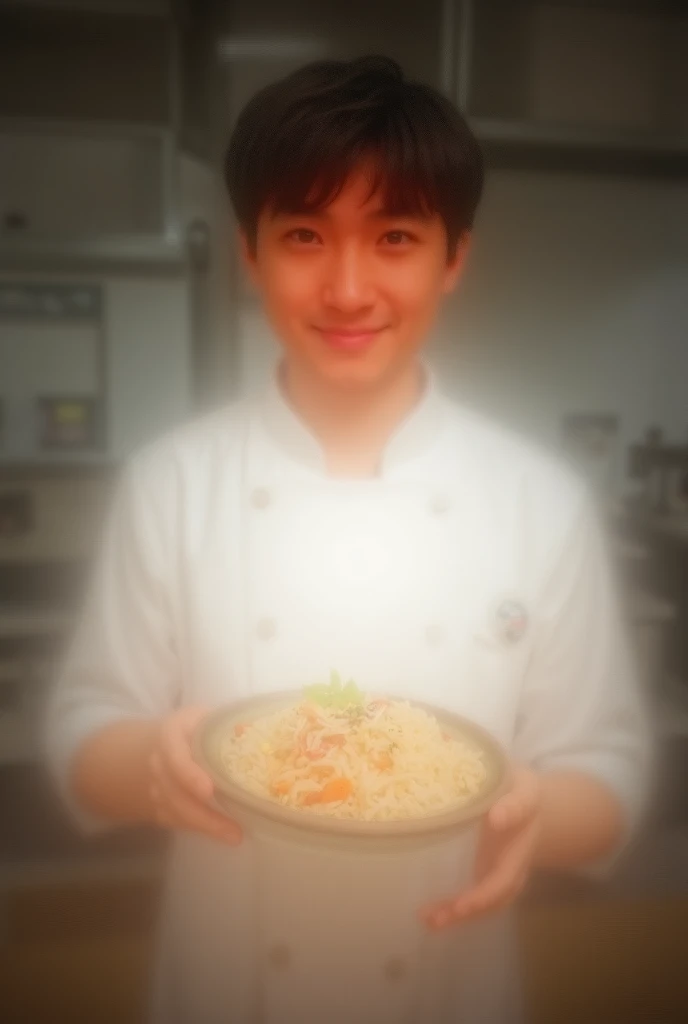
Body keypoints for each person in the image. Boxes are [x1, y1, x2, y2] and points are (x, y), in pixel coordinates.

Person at [46, 56, 649, 1024]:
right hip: (227, 986)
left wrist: (537, 819)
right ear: (249, 252)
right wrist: (149, 765)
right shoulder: (173, 482)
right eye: (303, 235)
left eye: (396, 235)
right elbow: (81, 729)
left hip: (449, 981)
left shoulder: (540, 501)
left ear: (453, 257)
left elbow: (609, 768)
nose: (347, 286)